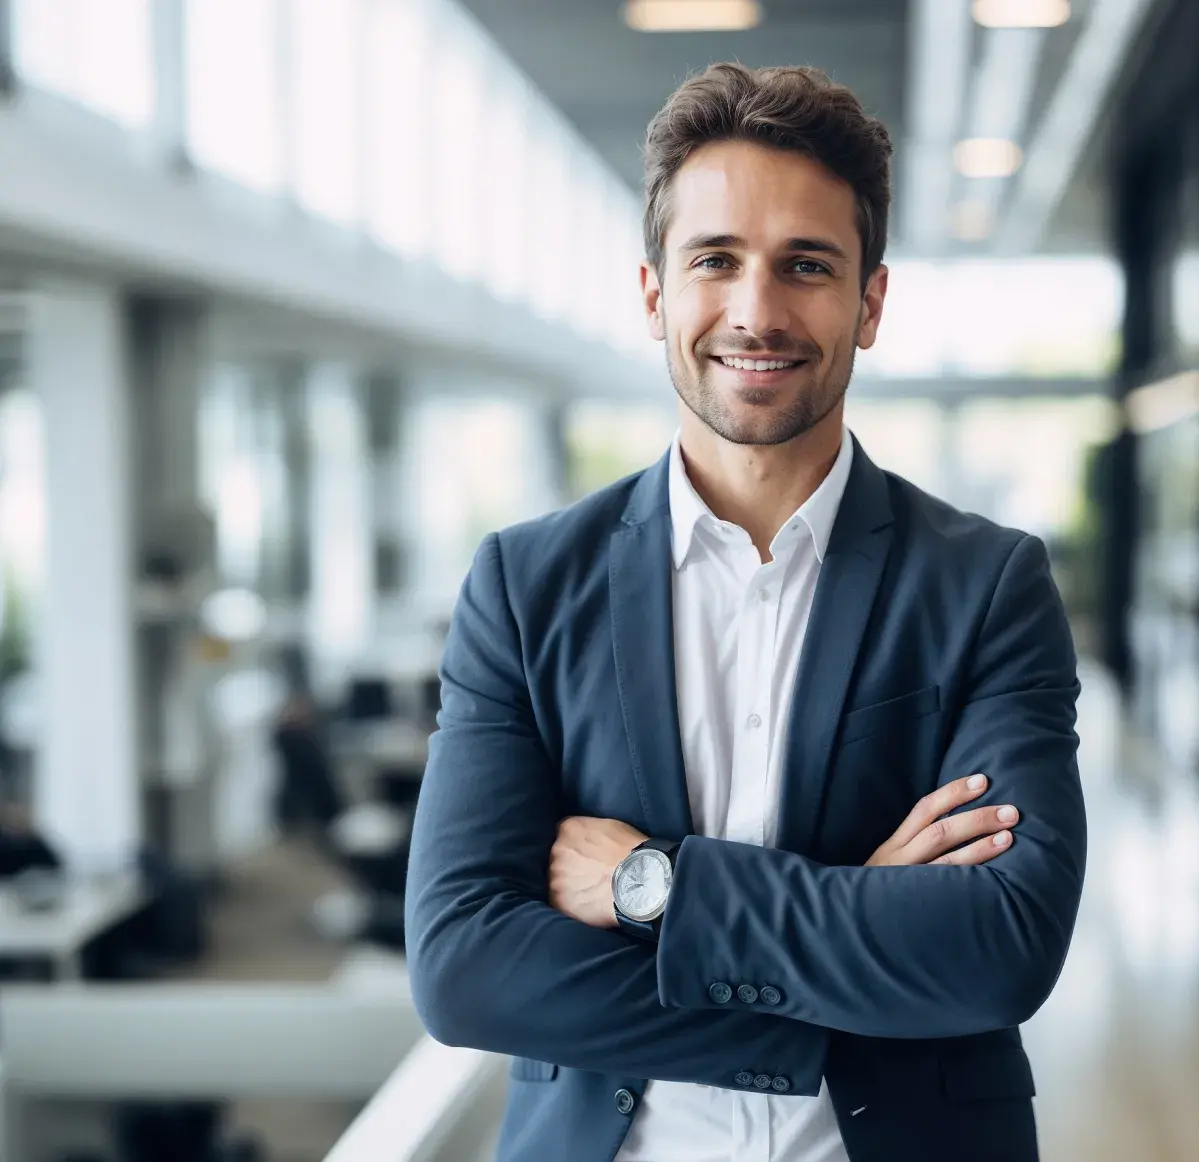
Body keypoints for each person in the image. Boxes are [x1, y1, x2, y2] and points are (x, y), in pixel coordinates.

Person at [405, 63, 1086, 1162]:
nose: (757, 311)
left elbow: (1001, 944)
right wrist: (857, 924)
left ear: (869, 302)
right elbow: (464, 965)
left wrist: (652, 887)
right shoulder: (525, 587)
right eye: (715, 260)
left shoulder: (986, 584)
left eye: (806, 266)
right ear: (653, 293)